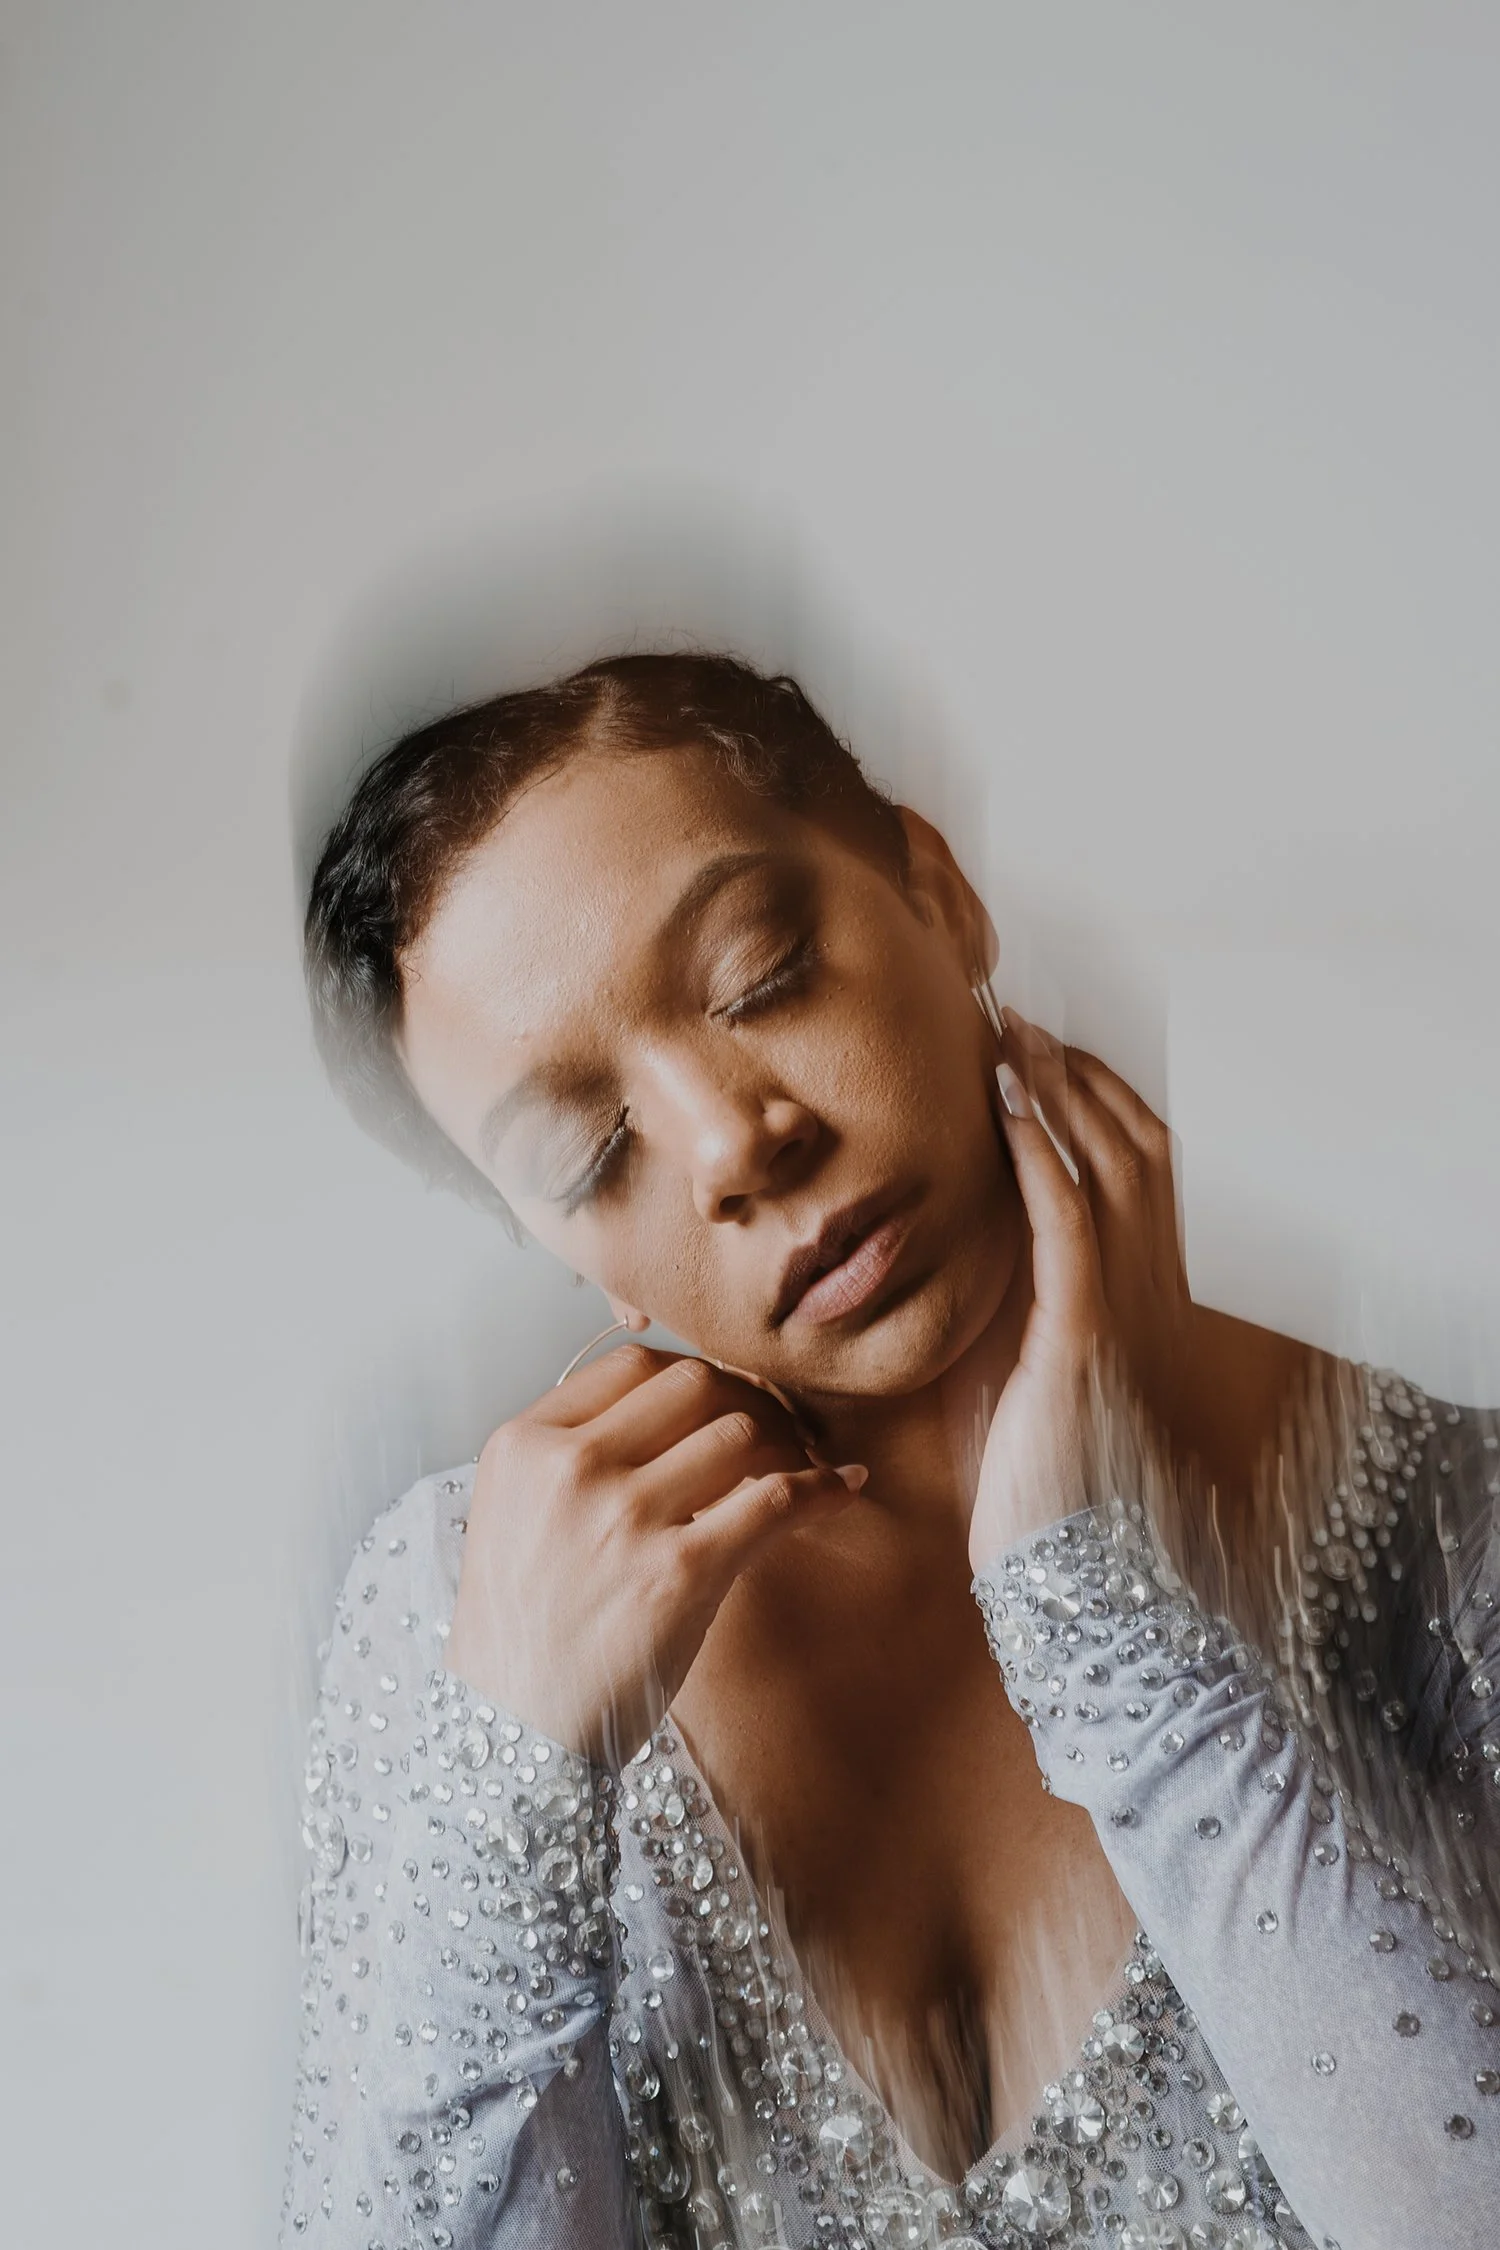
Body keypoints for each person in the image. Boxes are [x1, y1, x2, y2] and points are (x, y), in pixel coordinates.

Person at [282, 653, 1500, 2250]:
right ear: (567, 1245)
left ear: (936, 891)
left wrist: (1112, 1632)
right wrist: (515, 1800)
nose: (734, 1141)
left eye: (760, 972)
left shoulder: (1450, 1528)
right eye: (590, 1148)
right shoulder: (459, 1622)